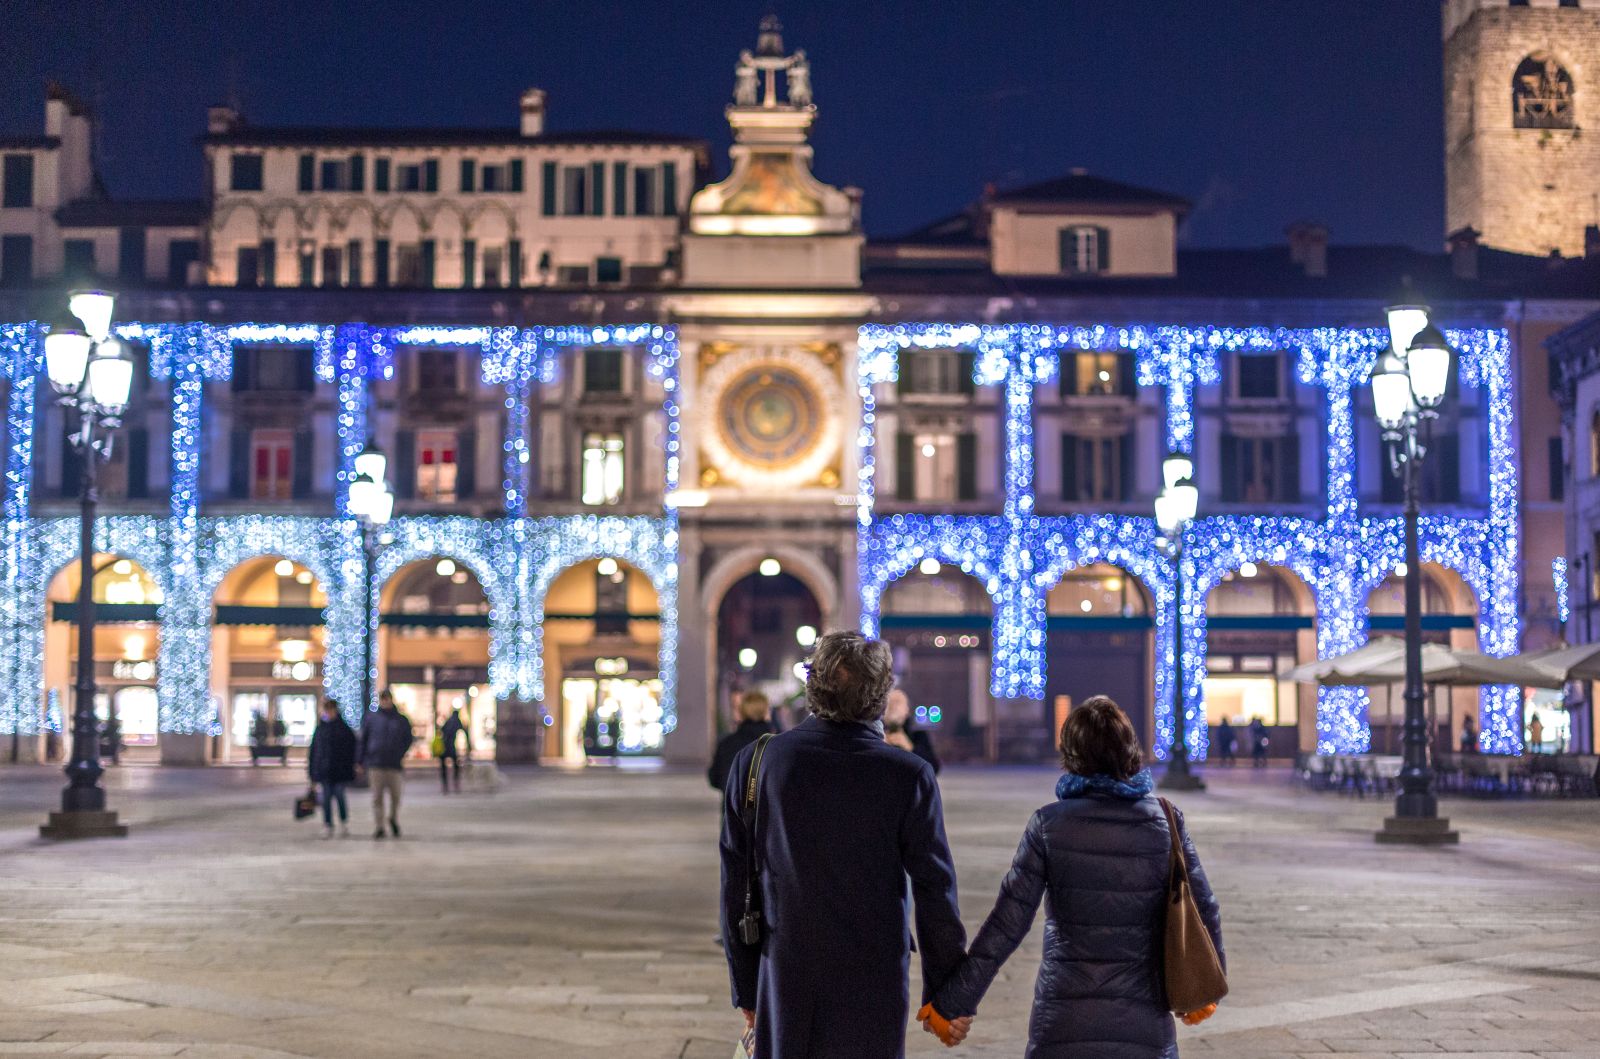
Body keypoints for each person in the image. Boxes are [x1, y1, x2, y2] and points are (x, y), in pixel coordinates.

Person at [925, 695, 1224, 1057]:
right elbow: (1204, 906)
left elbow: (1008, 923)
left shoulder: (1049, 824)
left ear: (1071, 756)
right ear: (1130, 751)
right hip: (1144, 1021)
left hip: (1063, 1018)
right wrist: (1205, 987)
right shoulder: (1166, 820)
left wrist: (954, 1001)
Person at [719, 631, 970, 1057]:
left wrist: (746, 986)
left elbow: (736, 882)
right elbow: (935, 888)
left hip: (786, 967)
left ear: (812, 687)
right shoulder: (908, 774)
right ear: (880, 695)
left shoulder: (758, 762)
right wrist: (945, 994)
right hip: (875, 971)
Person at [359, 690, 414, 839]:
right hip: (376, 764)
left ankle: (393, 818)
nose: (385, 701)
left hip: (394, 765)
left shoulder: (401, 720)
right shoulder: (372, 718)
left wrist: (400, 753)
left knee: (396, 797)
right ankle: (380, 826)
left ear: (391, 699)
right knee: (377, 797)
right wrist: (361, 760)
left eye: (387, 699)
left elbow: (408, 739)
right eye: (383, 699)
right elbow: (364, 740)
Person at [708, 691, 777, 791]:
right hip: (768, 800)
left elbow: (715, 779)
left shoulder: (727, 744)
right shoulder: (778, 744)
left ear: (741, 713)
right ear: (766, 712)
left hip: (734, 800)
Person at [307, 698, 357, 838]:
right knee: (326, 799)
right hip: (325, 771)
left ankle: (343, 823)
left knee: (340, 796)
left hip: (339, 771)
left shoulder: (344, 729)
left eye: (331, 710)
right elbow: (314, 752)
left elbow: (351, 750)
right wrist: (312, 773)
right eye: (327, 710)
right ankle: (328, 824)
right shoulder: (321, 729)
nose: (329, 713)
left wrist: (351, 767)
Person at [884, 687, 941, 773]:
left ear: (907, 710)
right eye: (891, 703)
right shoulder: (875, 733)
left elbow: (933, 767)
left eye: (898, 703)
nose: (894, 707)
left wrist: (910, 747)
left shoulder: (918, 736)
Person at [439, 707, 470, 793]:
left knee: (444, 767)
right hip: (451, 748)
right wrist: (468, 745)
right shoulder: (456, 721)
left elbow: (441, 731)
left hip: (444, 748)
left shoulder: (448, 721)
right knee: (456, 766)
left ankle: (445, 786)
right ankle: (455, 784)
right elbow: (464, 732)